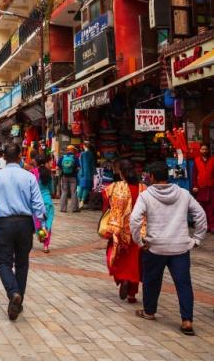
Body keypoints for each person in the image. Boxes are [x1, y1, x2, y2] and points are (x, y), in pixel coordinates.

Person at [130, 161, 207, 336]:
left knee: (151, 281)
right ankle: (187, 320)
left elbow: (134, 220)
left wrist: (140, 242)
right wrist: (197, 239)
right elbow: (200, 215)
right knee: (184, 284)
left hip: (155, 246)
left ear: (151, 177)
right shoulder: (183, 193)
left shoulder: (146, 195)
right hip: (180, 246)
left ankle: (149, 312)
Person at [0, 143, 46, 321]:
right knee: (22, 263)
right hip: (25, 224)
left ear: (3, 157)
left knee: (3, 262)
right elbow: (38, 204)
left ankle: (13, 294)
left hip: (4, 224)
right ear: (20, 156)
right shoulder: (28, 177)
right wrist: (41, 226)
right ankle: (18, 298)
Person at [102, 159, 145, 304]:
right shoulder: (143, 188)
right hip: (139, 231)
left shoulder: (114, 187)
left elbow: (105, 203)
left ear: (121, 173)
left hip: (119, 229)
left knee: (115, 255)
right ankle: (132, 294)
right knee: (135, 261)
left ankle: (122, 278)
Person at [192, 144, 214, 233]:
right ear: (200, 150)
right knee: (203, 208)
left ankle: (212, 226)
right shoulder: (196, 160)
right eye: (202, 149)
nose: (204, 151)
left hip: (211, 187)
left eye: (206, 149)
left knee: (212, 208)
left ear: (208, 150)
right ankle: (206, 226)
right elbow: (194, 174)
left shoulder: (213, 160)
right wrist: (194, 186)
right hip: (201, 188)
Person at [36, 157, 55, 254]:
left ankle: (41, 235)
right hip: (48, 201)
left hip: (37, 202)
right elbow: (52, 190)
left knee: (39, 223)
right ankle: (46, 246)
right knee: (48, 223)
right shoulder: (49, 173)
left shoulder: (34, 173)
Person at [59, 145, 80, 213]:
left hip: (64, 177)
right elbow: (78, 167)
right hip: (73, 177)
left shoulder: (62, 157)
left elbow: (58, 165)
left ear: (67, 150)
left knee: (64, 192)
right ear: (73, 150)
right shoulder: (75, 157)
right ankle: (74, 208)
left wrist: (63, 169)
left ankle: (63, 208)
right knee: (73, 193)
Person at [77, 141, 96, 210]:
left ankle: (78, 201)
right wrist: (95, 173)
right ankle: (81, 202)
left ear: (84, 146)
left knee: (81, 187)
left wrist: (80, 172)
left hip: (82, 173)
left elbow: (80, 164)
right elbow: (93, 165)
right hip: (89, 174)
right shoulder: (91, 154)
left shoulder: (82, 154)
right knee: (86, 188)